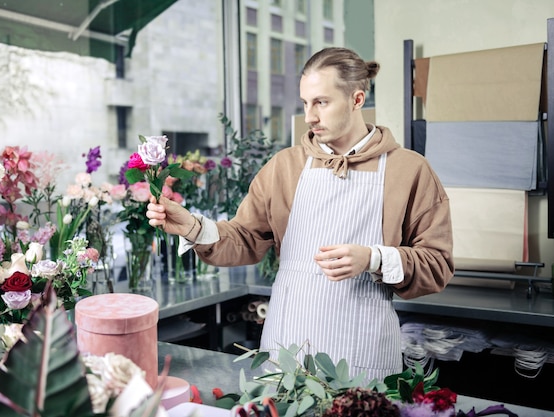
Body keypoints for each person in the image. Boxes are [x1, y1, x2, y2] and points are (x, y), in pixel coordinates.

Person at [146, 47, 454, 382]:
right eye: (305, 103)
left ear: (356, 99)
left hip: (363, 352)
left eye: (321, 102)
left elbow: (437, 264)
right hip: (286, 347)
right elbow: (245, 239)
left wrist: (373, 259)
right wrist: (192, 226)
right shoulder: (285, 166)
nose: (309, 116)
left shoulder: (408, 170)